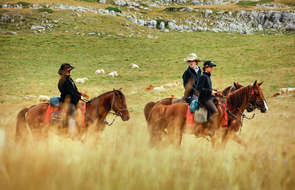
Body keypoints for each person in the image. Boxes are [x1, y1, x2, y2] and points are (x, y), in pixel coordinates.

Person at [57, 63, 88, 134]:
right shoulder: (63, 81)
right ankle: (72, 131)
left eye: (70, 70)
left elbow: (75, 90)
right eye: (68, 70)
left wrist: (81, 95)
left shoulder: (69, 79)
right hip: (67, 102)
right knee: (72, 111)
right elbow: (70, 93)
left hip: (73, 100)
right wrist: (79, 97)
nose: (70, 72)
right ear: (64, 72)